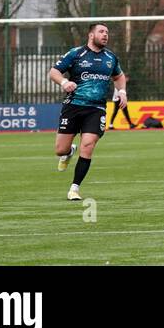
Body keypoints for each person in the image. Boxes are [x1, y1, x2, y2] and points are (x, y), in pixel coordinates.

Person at [49, 23, 125, 202]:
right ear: (91, 35)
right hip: (73, 106)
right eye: (101, 32)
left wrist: (122, 92)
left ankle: (74, 188)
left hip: (96, 108)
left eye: (107, 32)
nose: (105, 35)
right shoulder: (76, 53)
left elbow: (119, 76)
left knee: (88, 145)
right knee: (60, 150)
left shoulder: (111, 58)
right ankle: (68, 153)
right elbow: (54, 72)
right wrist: (64, 82)